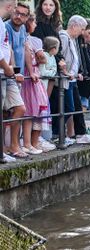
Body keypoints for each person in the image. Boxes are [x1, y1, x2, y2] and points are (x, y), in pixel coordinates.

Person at [58, 15, 90, 144]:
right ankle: (59, 135)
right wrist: (65, 72)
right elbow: (60, 57)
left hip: (72, 78)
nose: (82, 32)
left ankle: (80, 134)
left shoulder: (73, 39)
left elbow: (75, 59)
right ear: (74, 26)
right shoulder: (64, 37)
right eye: (82, 28)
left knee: (77, 107)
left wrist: (78, 72)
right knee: (68, 107)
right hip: (66, 79)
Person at [20, 14, 50, 154]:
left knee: (31, 110)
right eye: (34, 23)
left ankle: (30, 143)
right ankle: (29, 143)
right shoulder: (34, 40)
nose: (36, 25)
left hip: (27, 75)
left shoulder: (25, 39)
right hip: (32, 76)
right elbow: (43, 58)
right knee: (33, 110)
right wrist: (38, 60)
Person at [1, 0, 27, 160]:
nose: (18, 16)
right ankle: (6, 148)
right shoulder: (6, 25)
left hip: (10, 73)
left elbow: (14, 48)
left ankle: (12, 145)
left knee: (19, 108)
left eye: (23, 14)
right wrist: (12, 69)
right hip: (7, 72)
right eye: (17, 12)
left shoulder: (22, 28)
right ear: (11, 8)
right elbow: (7, 48)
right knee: (6, 111)